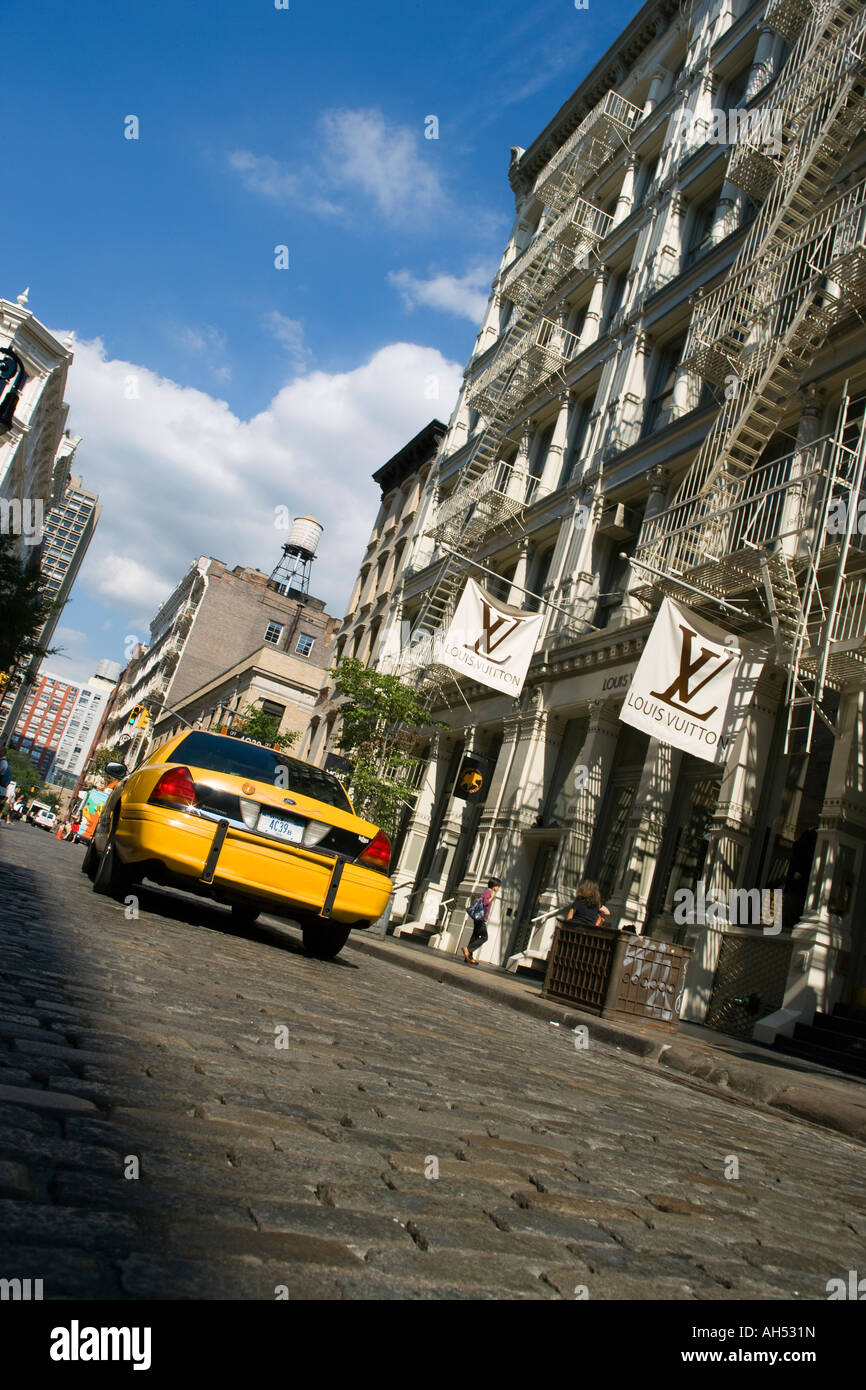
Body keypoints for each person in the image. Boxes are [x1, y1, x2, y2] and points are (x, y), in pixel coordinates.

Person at [462, 878, 501, 964]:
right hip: (480, 919)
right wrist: (492, 898)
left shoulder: (488, 891)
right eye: (498, 886)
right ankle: (468, 949)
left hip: (479, 918)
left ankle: (468, 957)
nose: (498, 888)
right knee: (484, 937)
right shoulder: (488, 892)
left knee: (475, 936)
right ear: (494, 886)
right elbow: (485, 903)